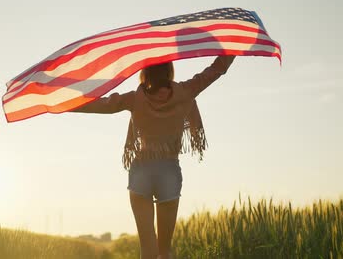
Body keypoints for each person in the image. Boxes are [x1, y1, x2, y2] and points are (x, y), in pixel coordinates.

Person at [73, 55, 235, 259]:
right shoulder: (186, 91)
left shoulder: (134, 98)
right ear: (169, 71)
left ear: (145, 73)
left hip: (142, 169)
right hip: (168, 171)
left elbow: (102, 105)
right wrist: (234, 47)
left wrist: (61, 103)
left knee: (147, 251)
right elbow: (216, 70)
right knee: (164, 251)